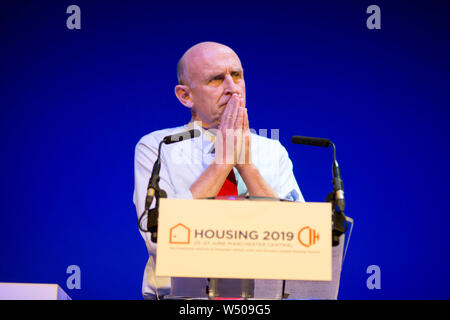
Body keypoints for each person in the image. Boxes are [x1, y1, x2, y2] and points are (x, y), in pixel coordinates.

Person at [133, 42, 304, 299]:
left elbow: (300, 245)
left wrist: (246, 166)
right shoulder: (158, 148)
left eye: (237, 76)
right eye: (216, 79)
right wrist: (222, 164)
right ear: (185, 96)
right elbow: (158, 239)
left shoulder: (273, 151)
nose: (232, 88)